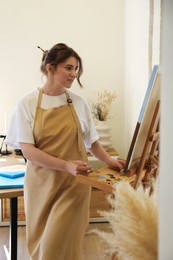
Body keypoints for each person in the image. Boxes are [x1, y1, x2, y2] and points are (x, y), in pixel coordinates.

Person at [5, 43, 125, 260]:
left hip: (74, 185)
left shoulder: (78, 103)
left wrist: (109, 160)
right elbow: (28, 151)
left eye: (76, 69)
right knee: (43, 249)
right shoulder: (27, 104)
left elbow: (92, 142)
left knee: (57, 247)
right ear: (50, 68)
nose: (74, 74)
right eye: (68, 68)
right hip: (41, 186)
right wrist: (66, 165)